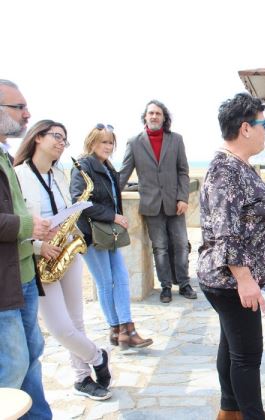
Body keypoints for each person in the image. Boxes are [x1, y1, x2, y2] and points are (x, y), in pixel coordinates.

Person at [13, 120, 112, 401]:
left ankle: (82, 379)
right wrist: (38, 246)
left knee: (77, 322)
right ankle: (98, 356)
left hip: (66, 248)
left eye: (64, 140)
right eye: (56, 136)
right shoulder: (19, 175)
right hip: (41, 256)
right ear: (37, 138)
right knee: (60, 327)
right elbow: (19, 220)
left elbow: (65, 211)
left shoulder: (59, 175)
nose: (61, 143)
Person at [197, 93, 265, 420]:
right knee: (247, 357)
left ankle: (228, 412)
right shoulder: (225, 170)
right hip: (230, 280)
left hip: (229, 279)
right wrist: (245, 281)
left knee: (231, 347)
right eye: (264, 124)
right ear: (246, 128)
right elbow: (226, 231)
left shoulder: (237, 166)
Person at [70, 124, 153, 350]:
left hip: (109, 233)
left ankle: (128, 329)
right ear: (92, 142)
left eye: (110, 142)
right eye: (103, 141)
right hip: (92, 233)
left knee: (122, 279)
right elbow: (79, 201)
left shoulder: (107, 166)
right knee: (106, 283)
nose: (107, 146)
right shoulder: (82, 166)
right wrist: (113, 217)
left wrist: (114, 219)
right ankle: (117, 330)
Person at [0, 79, 53, 419]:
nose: (27, 113)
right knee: (12, 369)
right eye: (18, 107)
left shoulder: (4, 155)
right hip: (4, 285)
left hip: (23, 277)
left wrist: (26, 220)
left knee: (32, 356)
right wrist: (25, 225)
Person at [119, 100, 197, 303]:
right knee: (160, 247)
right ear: (145, 116)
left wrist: (183, 197)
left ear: (164, 118)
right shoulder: (134, 142)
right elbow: (124, 173)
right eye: (151, 113)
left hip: (175, 204)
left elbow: (183, 171)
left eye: (158, 114)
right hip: (151, 204)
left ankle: (184, 283)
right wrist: (109, 194)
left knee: (181, 244)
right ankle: (165, 287)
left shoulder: (176, 140)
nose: (154, 116)